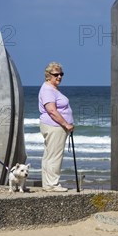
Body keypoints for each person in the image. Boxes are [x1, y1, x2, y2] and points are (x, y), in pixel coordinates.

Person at [38, 62, 75, 192]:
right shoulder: (48, 89)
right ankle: (52, 184)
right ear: (48, 76)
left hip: (54, 126)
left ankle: (48, 184)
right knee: (54, 156)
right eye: (56, 74)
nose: (59, 77)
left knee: (49, 155)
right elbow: (52, 111)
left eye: (61, 74)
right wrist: (66, 124)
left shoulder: (51, 88)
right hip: (55, 126)